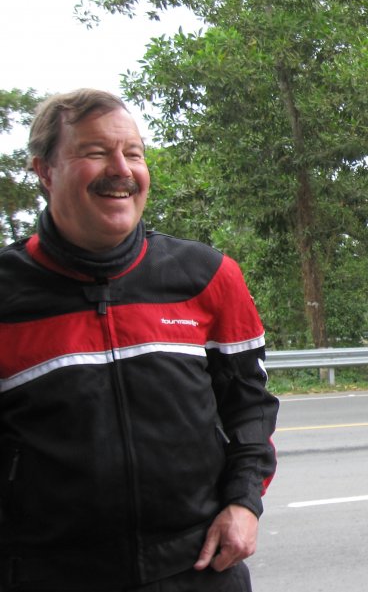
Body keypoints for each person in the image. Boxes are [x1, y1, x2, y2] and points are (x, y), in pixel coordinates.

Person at [0, 89, 279, 591]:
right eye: (94, 152)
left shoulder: (207, 276)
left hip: (198, 568)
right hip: (48, 574)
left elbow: (250, 406)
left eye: (133, 153)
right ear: (44, 171)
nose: (121, 169)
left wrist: (243, 504)